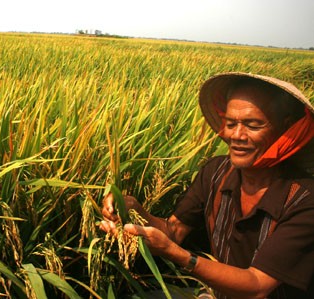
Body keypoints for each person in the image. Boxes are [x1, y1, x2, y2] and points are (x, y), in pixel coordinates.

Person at [100, 72, 314, 299]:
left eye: (253, 125)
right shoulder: (216, 172)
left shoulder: (305, 200)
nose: (237, 135)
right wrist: (133, 210)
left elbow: (257, 285)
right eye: (231, 124)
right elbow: (173, 231)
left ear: (286, 127)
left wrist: (179, 255)